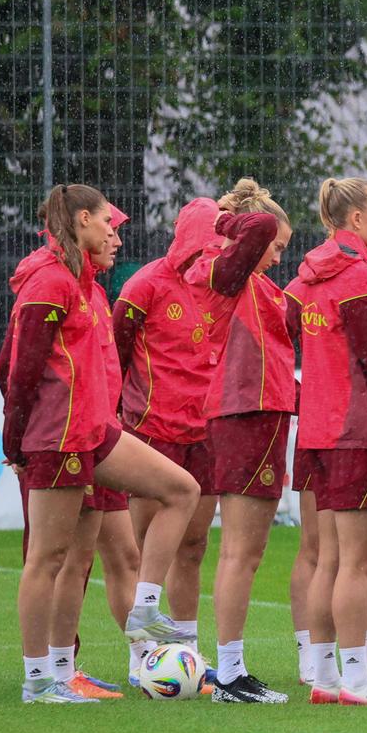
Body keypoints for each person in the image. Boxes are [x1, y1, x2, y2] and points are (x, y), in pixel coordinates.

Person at [0, 184, 200, 703]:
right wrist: (15, 442)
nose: (116, 234)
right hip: (60, 437)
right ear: (83, 219)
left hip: (95, 432)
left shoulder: (83, 282)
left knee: (182, 490)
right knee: (49, 558)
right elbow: (17, 368)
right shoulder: (49, 281)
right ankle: (40, 680)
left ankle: (144, 611)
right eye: (109, 223)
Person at [177, 179, 298, 703]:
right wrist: (228, 221)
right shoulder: (226, 270)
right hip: (245, 411)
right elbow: (259, 224)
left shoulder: (250, 279)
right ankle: (229, 673)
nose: (276, 256)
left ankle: (229, 668)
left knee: (247, 550)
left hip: (258, 411)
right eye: (275, 247)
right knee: (241, 552)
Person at [291, 177, 367, 706]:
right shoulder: (359, 278)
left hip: (315, 428)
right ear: (355, 219)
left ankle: (326, 675)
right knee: (357, 562)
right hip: (357, 431)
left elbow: (293, 334)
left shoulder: (306, 276)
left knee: (329, 559)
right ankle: (356, 678)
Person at [114, 198, 225, 686]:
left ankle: (187, 654)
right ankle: (142, 655)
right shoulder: (145, 285)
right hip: (152, 430)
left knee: (194, 545)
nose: (212, 256)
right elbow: (115, 354)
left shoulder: (221, 288)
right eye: (207, 245)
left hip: (206, 430)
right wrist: (114, 415)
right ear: (188, 240)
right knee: (143, 550)